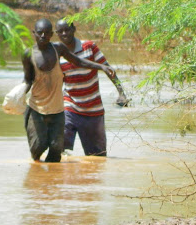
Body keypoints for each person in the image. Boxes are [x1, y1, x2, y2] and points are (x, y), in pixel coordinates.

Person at [22, 18, 115, 163]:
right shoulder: (28, 54)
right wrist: (18, 95)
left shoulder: (59, 49)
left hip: (66, 108)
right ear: (34, 33)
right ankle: (38, 176)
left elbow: (78, 61)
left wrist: (101, 67)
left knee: (58, 151)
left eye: (47, 33)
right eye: (40, 33)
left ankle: (53, 181)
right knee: (40, 146)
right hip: (45, 106)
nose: (43, 36)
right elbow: (27, 79)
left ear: (51, 34)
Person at [55, 18, 128, 157]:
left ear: (74, 29)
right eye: (60, 32)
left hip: (93, 108)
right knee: (60, 141)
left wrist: (121, 93)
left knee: (97, 157)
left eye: (67, 30)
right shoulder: (57, 54)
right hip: (70, 104)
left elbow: (108, 69)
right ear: (57, 34)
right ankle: (63, 173)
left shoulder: (89, 47)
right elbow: (57, 81)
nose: (64, 34)